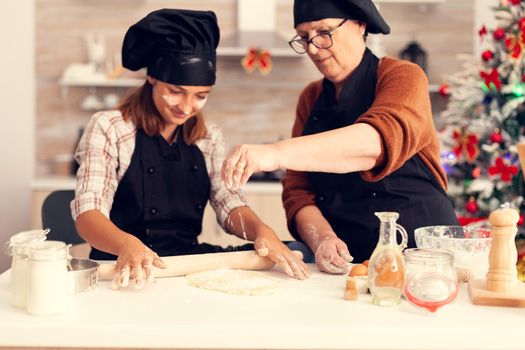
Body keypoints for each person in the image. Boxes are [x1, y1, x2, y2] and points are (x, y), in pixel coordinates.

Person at [71, 9, 310, 289]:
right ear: (152, 79)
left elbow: (227, 201)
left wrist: (262, 230)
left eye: (201, 96)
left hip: (184, 268)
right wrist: (126, 244)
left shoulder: (209, 137)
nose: (186, 107)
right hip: (120, 269)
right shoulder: (110, 127)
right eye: (175, 91)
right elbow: (88, 215)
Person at [222, 0, 458, 274]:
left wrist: (273, 153)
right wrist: (322, 238)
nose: (312, 48)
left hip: (421, 254)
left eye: (323, 32)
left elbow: (375, 144)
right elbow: (298, 191)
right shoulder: (310, 98)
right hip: (345, 264)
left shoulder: (403, 76)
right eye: (304, 37)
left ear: (360, 24)